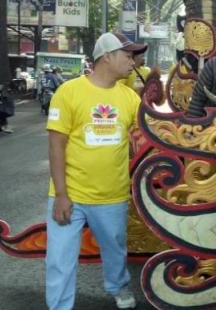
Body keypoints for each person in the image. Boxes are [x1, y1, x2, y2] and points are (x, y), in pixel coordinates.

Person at [45, 32, 145, 310]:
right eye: (127, 56)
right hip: (70, 196)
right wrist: (62, 194)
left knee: (115, 251)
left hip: (111, 196)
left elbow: (141, 140)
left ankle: (118, 286)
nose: (133, 62)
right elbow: (56, 146)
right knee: (60, 259)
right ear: (107, 57)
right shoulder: (69, 92)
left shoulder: (129, 98)